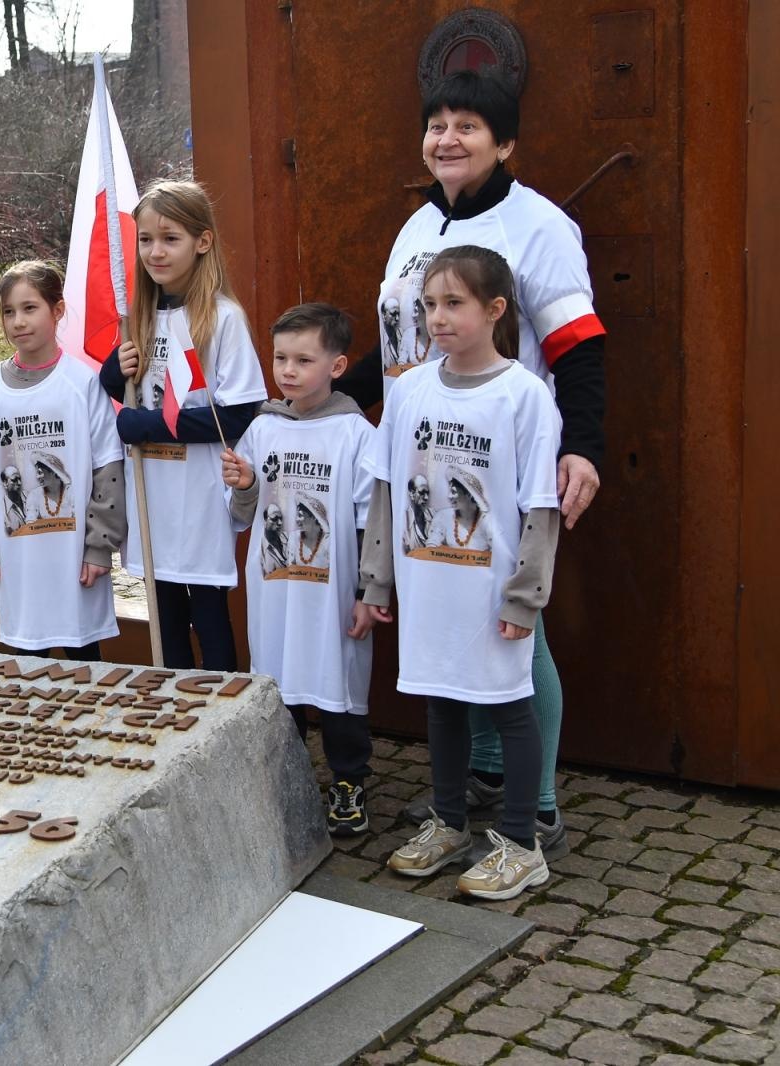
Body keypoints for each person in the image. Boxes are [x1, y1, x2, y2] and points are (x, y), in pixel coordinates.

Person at [336, 69, 606, 858]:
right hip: (422, 455)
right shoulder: (415, 227)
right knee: (455, 622)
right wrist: (331, 395)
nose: (447, 139)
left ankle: (541, 806)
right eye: (437, 125)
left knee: (520, 628)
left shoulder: (539, 226)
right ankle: (483, 777)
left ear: (505, 143)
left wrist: (581, 445)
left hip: (501, 455)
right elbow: (402, 349)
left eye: (468, 126)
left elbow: (578, 345)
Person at [360, 246, 561, 900]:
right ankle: (448, 823)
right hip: (429, 587)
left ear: (495, 309)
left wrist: (524, 597)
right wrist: (378, 579)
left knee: (508, 707)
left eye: (454, 304)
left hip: (491, 591)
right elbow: (390, 488)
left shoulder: (524, 397)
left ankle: (520, 843)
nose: (437, 318)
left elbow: (540, 504)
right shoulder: (411, 387)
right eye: (428, 306)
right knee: (441, 701)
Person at [222, 303, 376, 836]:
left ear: (336, 366)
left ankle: (349, 782)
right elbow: (242, 513)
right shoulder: (263, 429)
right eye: (280, 358)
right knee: (281, 686)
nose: (287, 370)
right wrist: (243, 484)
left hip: (332, 597)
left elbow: (367, 521)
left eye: (303, 360)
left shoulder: (356, 434)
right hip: (276, 593)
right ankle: (287, 782)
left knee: (336, 689)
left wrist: (366, 591)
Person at [100, 179, 267, 669]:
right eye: (146, 239)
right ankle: (173, 716)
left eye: (169, 238)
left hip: (198, 492)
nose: (155, 251)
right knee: (164, 611)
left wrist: (150, 426)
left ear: (202, 241)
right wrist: (116, 370)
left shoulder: (222, 317)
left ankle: (223, 716)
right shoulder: (139, 317)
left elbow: (238, 413)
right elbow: (122, 391)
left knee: (208, 612)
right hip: (153, 489)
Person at [0, 260, 126, 660]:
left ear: (57, 310)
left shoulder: (82, 385)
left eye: (30, 308)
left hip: (74, 562)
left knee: (84, 668)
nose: (18, 322)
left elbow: (108, 470)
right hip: (18, 562)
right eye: (8, 311)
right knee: (28, 668)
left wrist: (99, 547)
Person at [425, 472, 492, 553]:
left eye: (453, 492)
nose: (449, 496)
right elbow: (431, 545)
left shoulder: (487, 522)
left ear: (468, 494)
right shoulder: (444, 516)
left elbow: (498, 553)